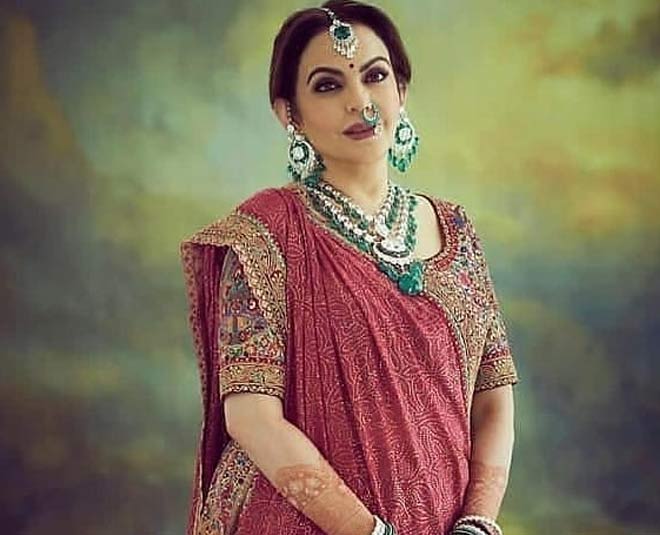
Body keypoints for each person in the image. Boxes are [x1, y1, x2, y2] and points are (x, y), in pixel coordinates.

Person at [180, 1, 519, 534]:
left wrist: (476, 523)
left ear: (401, 90)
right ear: (288, 113)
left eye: (375, 76)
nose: (359, 101)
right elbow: (251, 416)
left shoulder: (455, 228)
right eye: (327, 85)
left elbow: (493, 395)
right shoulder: (264, 235)